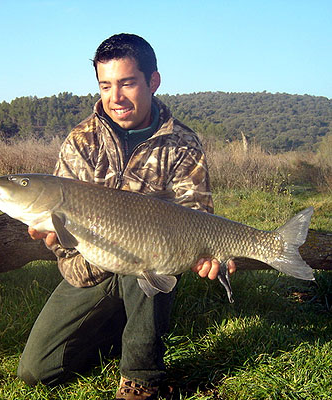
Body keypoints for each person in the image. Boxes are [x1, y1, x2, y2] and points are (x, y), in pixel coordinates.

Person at [18, 33, 236, 399]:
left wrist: (210, 255)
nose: (114, 97)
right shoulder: (81, 140)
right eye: (105, 85)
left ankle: (142, 376)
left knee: (148, 253)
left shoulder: (182, 143)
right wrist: (58, 240)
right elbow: (59, 234)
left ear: (153, 81)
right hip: (89, 269)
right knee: (35, 372)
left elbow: (197, 214)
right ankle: (118, 326)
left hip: (151, 264)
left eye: (127, 83)